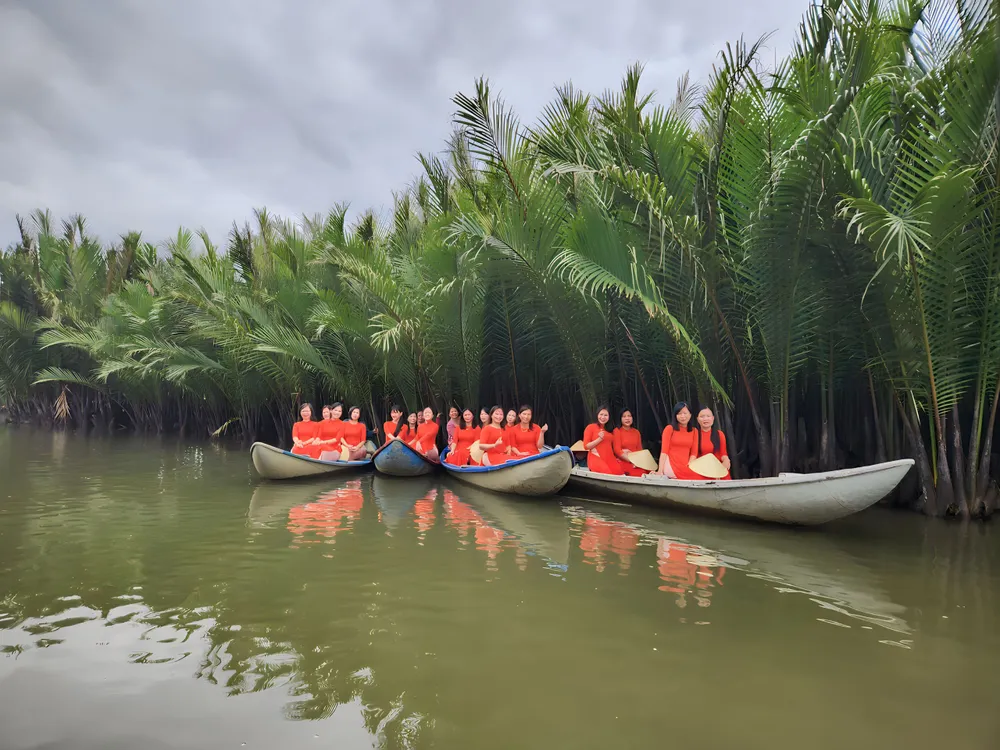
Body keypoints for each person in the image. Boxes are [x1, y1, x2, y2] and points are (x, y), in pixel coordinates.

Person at [654, 401, 699, 479]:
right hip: (671, 464)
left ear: (690, 415)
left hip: (686, 465)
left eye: (685, 413)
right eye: (679, 414)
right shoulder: (669, 429)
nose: (682, 416)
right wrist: (660, 470)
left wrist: (689, 466)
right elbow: (664, 452)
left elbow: (694, 453)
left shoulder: (694, 431)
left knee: (703, 475)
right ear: (675, 416)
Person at [691, 407, 732, 479]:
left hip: (717, 470)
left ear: (713, 418)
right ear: (697, 419)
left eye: (708, 416)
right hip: (701, 471)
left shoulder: (719, 434)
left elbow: (723, 454)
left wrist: (726, 460)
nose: (705, 419)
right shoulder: (694, 434)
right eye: (702, 416)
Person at [582, 405, 623, 474]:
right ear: (597, 415)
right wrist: (599, 439)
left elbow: (617, 449)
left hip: (609, 458)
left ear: (609, 417)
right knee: (607, 472)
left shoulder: (613, 430)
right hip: (596, 457)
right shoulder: (590, 427)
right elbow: (586, 446)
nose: (603, 417)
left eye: (606, 415)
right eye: (601, 414)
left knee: (619, 472)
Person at [612, 408, 647, 477]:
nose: (627, 418)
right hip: (623, 461)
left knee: (646, 472)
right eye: (624, 416)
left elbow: (640, 450)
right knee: (635, 474)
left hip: (636, 462)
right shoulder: (617, 431)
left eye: (629, 416)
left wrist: (638, 462)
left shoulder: (636, 432)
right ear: (620, 419)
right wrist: (631, 461)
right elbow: (617, 451)